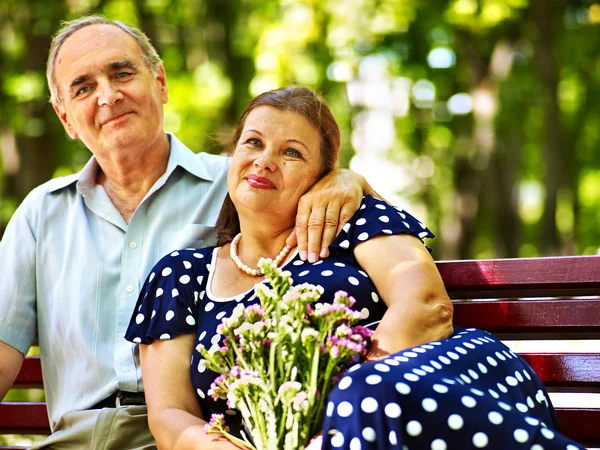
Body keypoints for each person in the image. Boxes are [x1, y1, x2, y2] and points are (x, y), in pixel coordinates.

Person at [125, 86, 585, 450]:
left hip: (435, 389)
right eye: (254, 142)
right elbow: (170, 416)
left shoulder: (354, 218)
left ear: (322, 176)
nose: (265, 160)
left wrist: (336, 424)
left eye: (292, 153)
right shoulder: (180, 275)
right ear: (233, 156)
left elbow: (427, 307)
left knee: (364, 391)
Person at [0, 17, 373, 450]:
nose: (108, 95)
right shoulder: (41, 214)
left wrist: (347, 180)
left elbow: (362, 227)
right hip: (75, 441)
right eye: (83, 87)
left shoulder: (240, 183)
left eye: (122, 73)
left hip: (202, 437)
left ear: (160, 82)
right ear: (66, 118)